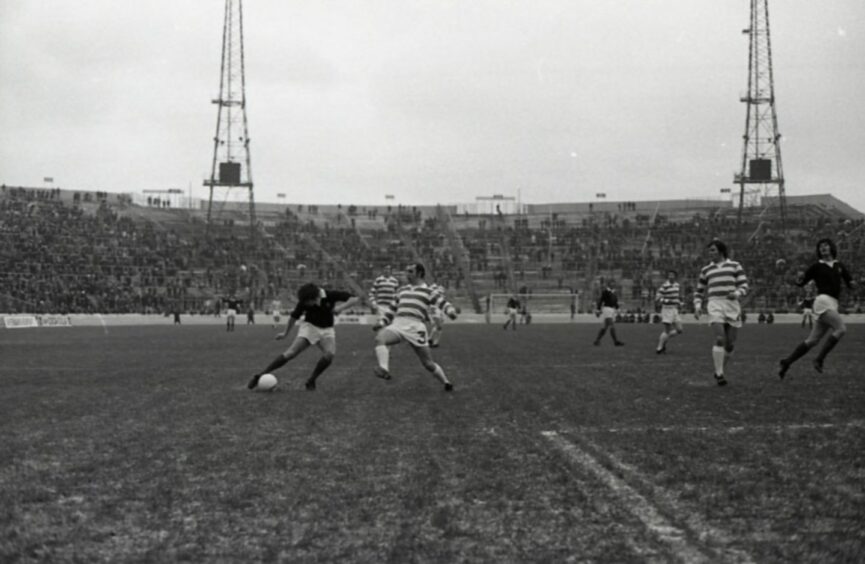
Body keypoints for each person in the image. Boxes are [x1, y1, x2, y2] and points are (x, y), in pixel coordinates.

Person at [247, 283, 360, 391]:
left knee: (329, 355)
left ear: (315, 298)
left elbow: (354, 298)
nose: (306, 305)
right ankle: (259, 376)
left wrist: (341, 308)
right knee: (290, 353)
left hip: (327, 329)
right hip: (309, 327)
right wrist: (285, 333)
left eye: (307, 302)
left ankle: (311, 380)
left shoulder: (330, 295)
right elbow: (294, 317)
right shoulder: (303, 302)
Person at [372, 263, 458, 391]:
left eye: (410, 271)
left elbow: (444, 303)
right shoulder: (401, 290)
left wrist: (451, 312)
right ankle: (384, 369)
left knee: (428, 363)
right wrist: (382, 322)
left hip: (415, 327)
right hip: (398, 324)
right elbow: (391, 310)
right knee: (380, 338)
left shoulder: (428, 291)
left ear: (419, 273)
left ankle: (446, 382)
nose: (407, 274)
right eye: (407, 271)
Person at [778, 238, 855, 378]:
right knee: (841, 329)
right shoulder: (816, 267)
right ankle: (819, 359)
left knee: (812, 341)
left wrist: (856, 283)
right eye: (820, 247)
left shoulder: (839, 265)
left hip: (833, 303)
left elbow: (850, 283)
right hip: (822, 301)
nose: (823, 248)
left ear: (831, 248)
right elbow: (801, 283)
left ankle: (787, 362)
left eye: (825, 246)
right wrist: (797, 278)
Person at [693, 239, 749, 387]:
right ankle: (719, 374)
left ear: (721, 251)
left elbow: (744, 285)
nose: (710, 253)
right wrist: (697, 305)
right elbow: (699, 291)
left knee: (730, 345)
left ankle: (720, 368)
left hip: (731, 305)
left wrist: (737, 293)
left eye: (712, 250)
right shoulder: (706, 270)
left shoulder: (735, 265)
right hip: (715, 303)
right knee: (719, 339)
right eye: (709, 251)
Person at [655, 269, 683, 354]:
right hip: (667, 309)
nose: (670, 276)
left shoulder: (677, 285)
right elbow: (657, 298)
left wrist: (679, 302)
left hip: (674, 309)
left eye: (672, 275)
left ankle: (663, 341)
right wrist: (667, 301)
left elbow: (677, 297)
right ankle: (659, 348)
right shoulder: (664, 286)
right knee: (667, 330)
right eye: (669, 275)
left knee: (679, 330)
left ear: (675, 276)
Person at [593, 281, 625, 346]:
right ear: (609, 285)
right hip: (607, 309)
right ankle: (616, 341)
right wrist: (598, 310)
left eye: (613, 284)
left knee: (604, 327)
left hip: (611, 310)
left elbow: (615, 303)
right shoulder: (606, 292)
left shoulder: (613, 293)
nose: (613, 285)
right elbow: (601, 301)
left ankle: (597, 341)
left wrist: (618, 310)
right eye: (611, 284)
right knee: (611, 325)